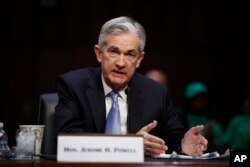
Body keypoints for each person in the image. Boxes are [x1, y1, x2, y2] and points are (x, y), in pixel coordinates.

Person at [55, 16, 207, 156]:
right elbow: (67, 137)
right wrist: (131, 144)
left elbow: (174, 137)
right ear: (99, 53)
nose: (121, 63)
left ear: (139, 59)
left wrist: (183, 144)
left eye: (129, 54)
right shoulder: (74, 85)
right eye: (114, 52)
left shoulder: (156, 93)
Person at [181, 82, 224, 151]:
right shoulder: (181, 119)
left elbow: (222, 143)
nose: (200, 103)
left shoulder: (212, 121)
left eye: (203, 99)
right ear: (189, 101)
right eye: (196, 99)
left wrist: (211, 137)